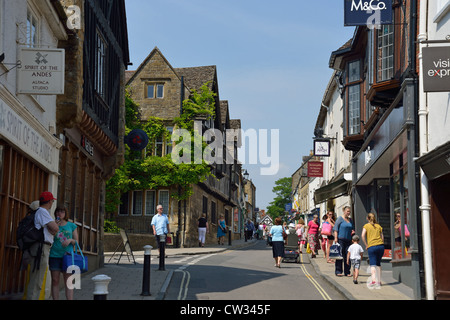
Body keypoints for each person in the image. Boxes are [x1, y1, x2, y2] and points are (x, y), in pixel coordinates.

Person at [25, 192, 59, 300]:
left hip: (41, 248)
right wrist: (53, 227)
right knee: (37, 281)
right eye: (52, 201)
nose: (52, 203)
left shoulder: (40, 212)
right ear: (49, 202)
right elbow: (55, 229)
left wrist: (52, 228)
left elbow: (52, 229)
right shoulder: (43, 211)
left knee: (37, 279)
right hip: (41, 248)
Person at [49, 207, 78, 300]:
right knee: (55, 280)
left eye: (62, 211)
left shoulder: (71, 225)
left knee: (68, 281)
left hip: (67, 256)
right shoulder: (52, 224)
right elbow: (49, 237)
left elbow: (76, 242)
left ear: (65, 213)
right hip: (54, 255)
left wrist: (70, 240)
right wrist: (55, 227)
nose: (59, 213)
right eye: (58, 211)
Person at [361, 213, 385, 289]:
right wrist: (381, 243)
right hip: (380, 246)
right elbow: (382, 237)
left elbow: (362, 235)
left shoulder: (366, 226)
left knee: (372, 264)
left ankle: (374, 280)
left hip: (372, 246)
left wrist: (366, 245)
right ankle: (379, 281)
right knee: (378, 263)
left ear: (367, 218)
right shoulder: (379, 226)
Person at [333, 206, 355, 277]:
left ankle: (347, 271)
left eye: (349, 211)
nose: (349, 213)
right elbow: (335, 229)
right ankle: (338, 271)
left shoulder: (350, 220)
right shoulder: (340, 219)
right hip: (341, 239)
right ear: (344, 211)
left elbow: (352, 228)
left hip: (348, 240)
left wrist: (352, 232)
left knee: (348, 256)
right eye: (347, 211)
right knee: (340, 255)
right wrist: (336, 238)